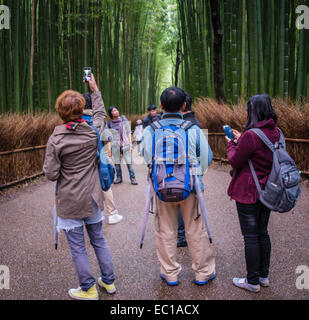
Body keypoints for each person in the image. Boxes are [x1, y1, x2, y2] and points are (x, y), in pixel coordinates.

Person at [43, 74, 116, 300]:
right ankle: (109, 282)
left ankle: (88, 288)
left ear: (60, 112)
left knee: (77, 246)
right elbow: (101, 114)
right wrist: (96, 90)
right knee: (98, 240)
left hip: (69, 199)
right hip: (93, 196)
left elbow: (51, 173)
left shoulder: (56, 138)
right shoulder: (92, 130)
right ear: (83, 109)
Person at [143, 87, 216, 286]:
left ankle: (170, 273)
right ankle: (203, 272)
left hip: (162, 187)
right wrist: (195, 176)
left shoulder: (152, 129)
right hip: (190, 187)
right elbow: (206, 158)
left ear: (161, 106)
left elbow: (147, 157)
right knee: (195, 229)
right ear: (184, 105)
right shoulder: (192, 129)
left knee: (165, 230)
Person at [226, 94, 280, 293]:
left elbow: (235, 161)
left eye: (248, 109)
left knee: (250, 237)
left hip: (249, 192)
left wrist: (232, 143)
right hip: (269, 191)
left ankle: (252, 282)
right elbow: (262, 153)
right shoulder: (276, 132)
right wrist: (242, 139)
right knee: (263, 233)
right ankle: (263, 277)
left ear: (254, 111)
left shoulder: (251, 135)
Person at [82, 93, 123, 225]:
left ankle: (84, 215)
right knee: (105, 185)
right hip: (99, 157)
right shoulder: (97, 120)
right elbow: (107, 138)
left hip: (80, 161)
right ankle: (112, 213)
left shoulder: (75, 119)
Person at [176, 92, 203, 248]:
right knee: (190, 203)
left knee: (182, 203)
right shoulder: (196, 123)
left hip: (178, 173)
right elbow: (206, 156)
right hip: (193, 172)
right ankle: (189, 234)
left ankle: (182, 234)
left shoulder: (182, 125)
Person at [106, 106, 138, 185]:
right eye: (114, 111)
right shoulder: (109, 123)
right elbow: (109, 138)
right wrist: (109, 149)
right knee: (117, 163)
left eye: (116, 110)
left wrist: (131, 145)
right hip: (115, 145)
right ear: (111, 114)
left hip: (125, 144)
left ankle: (133, 178)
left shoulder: (123, 120)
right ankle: (119, 178)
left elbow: (129, 133)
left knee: (129, 163)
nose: (116, 111)